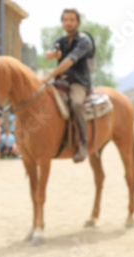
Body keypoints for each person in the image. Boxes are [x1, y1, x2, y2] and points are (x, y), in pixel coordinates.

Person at [42, 8, 94, 162]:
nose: (68, 23)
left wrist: (48, 76)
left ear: (77, 22)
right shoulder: (61, 40)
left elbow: (68, 62)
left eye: (72, 20)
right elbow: (48, 54)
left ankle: (82, 143)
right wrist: (52, 53)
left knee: (77, 103)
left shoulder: (84, 40)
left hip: (78, 82)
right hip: (60, 81)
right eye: (65, 20)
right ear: (62, 22)